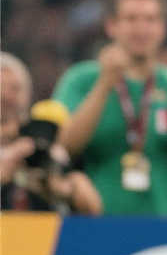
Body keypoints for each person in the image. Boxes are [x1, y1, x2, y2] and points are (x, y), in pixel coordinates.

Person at [55, 0, 167, 215]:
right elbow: (64, 147)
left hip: (164, 225)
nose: (141, 29)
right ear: (111, 25)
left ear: (163, 28)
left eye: (150, 20)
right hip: (95, 224)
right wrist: (103, 86)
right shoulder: (82, 79)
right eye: (131, 19)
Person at [1, 54, 100, 214]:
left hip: (43, 227)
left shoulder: (44, 139)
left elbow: (93, 209)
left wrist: (62, 187)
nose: (6, 97)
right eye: (0, 87)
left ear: (27, 95)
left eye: (14, 88)